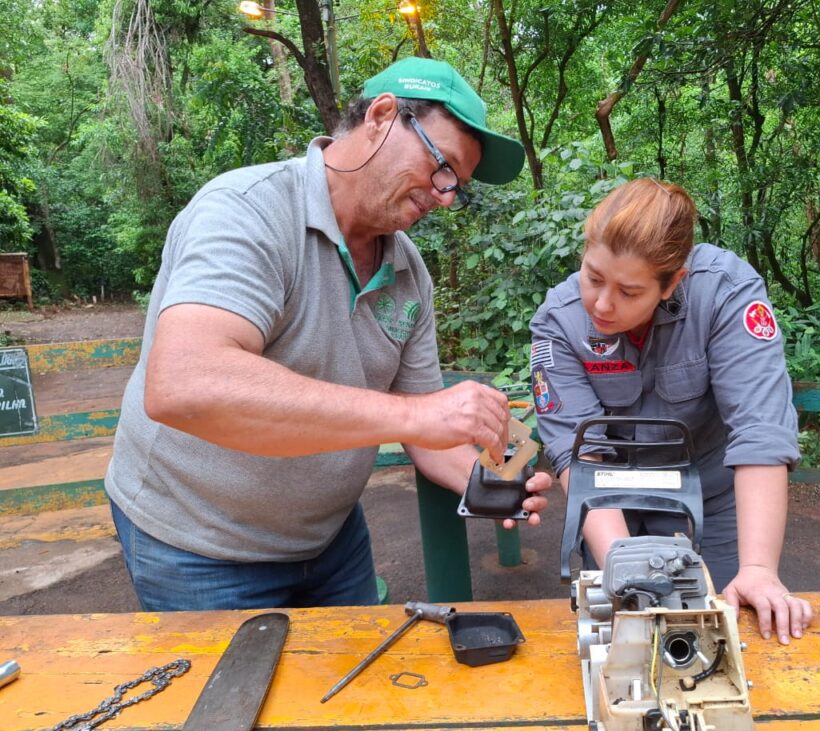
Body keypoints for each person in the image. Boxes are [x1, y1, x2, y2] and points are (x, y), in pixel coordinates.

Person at [105, 57, 552, 612]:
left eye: (456, 186)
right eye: (443, 168)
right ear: (384, 116)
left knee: (355, 695)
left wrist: (487, 484)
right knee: (240, 700)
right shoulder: (248, 211)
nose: (445, 196)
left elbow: (426, 431)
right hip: (201, 544)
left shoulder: (409, 272)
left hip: (331, 539)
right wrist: (417, 415)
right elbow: (184, 384)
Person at [529, 178, 812, 644]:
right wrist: (626, 571)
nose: (602, 304)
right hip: (608, 499)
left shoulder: (725, 293)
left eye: (629, 291)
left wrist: (759, 569)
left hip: (708, 495)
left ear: (672, 281)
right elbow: (581, 455)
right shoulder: (559, 320)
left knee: (723, 633)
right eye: (593, 277)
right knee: (626, 633)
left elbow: (760, 429)